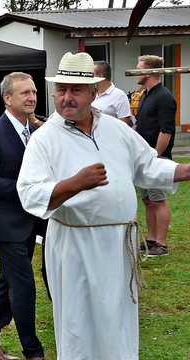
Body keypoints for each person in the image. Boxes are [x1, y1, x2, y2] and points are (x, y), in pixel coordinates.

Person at [16, 51, 190, 360]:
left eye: (76, 90)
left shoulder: (116, 129)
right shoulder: (45, 139)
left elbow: (148, 165)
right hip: (75, 246)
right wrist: (75, 183)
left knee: (119, 316)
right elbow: (30, 193)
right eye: (61, 89)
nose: (66, 97)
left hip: (118, 245)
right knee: (78, 322)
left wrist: (186, 171)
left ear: (94, 93)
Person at [0, 72, 46, 360]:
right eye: (25, 93)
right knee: (23, 285)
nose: (32, 97)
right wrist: (26, 190)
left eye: (34, 92)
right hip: (4, 224)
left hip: (28, 221)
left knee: (8, 283)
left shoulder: (35, 130)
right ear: (7, 98)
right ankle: (34, 352)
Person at [135, 55, 177, 257]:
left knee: (158, 201)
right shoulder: (145, 95)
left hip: (157, 159)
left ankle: (161, 244)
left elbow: (166, 131)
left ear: (149, 71)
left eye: (138, 67)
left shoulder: (164, 97)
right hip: (144, 158)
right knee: (148, 200)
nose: (135, 71)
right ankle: (151, 239)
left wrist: (155, 157)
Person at [92, 61, 133, 126]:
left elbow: (124, 125)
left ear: (100, 75)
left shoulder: (119, 95)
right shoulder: (91, 94)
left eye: (92, 75)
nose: (90, 78)